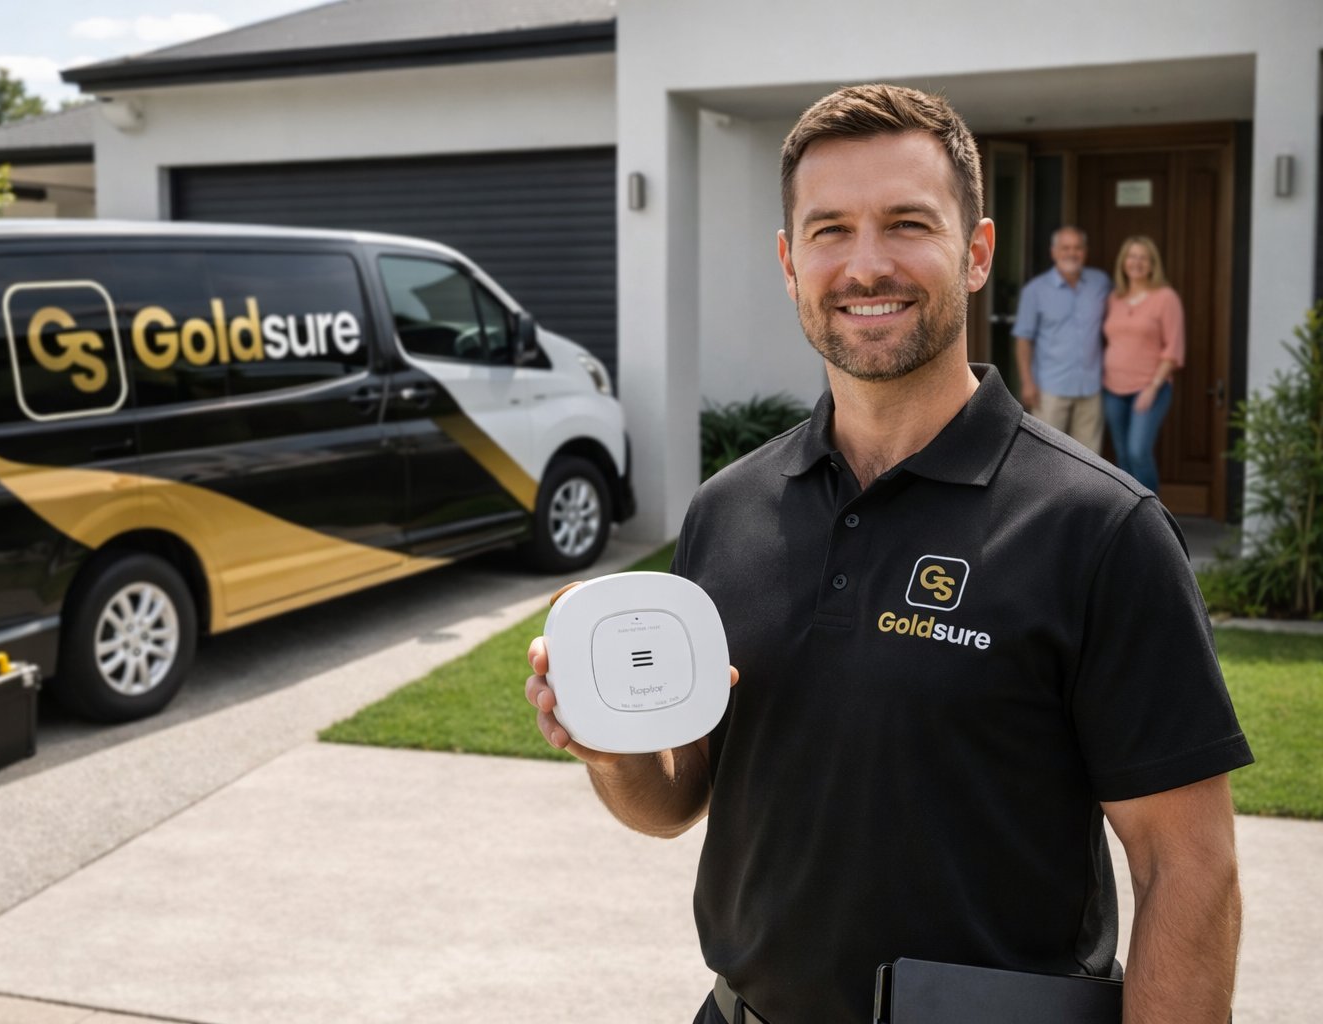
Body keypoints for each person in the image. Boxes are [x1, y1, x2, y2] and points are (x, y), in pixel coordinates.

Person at [525, 83, 1251, 1024]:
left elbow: (1188, 868)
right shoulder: (729, 510)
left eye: (907, 223)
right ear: (790, 264)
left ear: (976, 250)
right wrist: (608, 747)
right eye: (829, 231)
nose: (866, 266)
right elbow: (675, 800)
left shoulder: (1099, 528)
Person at [1012, 226, 1112, 450]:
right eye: (1065, 248)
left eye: (1077, 248)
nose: (1072, 253)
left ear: (1085, 252)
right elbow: (1023, 339)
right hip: (1050, 388)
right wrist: (1027, 382)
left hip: (1091, 388)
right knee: (1047, 454)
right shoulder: (1035, 291)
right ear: (1054, 252)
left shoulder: (1101, 283)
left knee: (1090, 458)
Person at [1102, 235, 1185, 492]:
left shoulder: (1165, 297)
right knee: (1123, 457)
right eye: (1131, 257)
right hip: (1112, 388)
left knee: (1139, 451)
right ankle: (1131, 520)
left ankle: (1155, 520)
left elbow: (1173, 348)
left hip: (1150, 387)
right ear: (1123, 262)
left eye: (1143, 258)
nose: (1136, 263)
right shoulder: (1115, 298)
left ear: (1152, 264)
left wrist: (1152, 388)